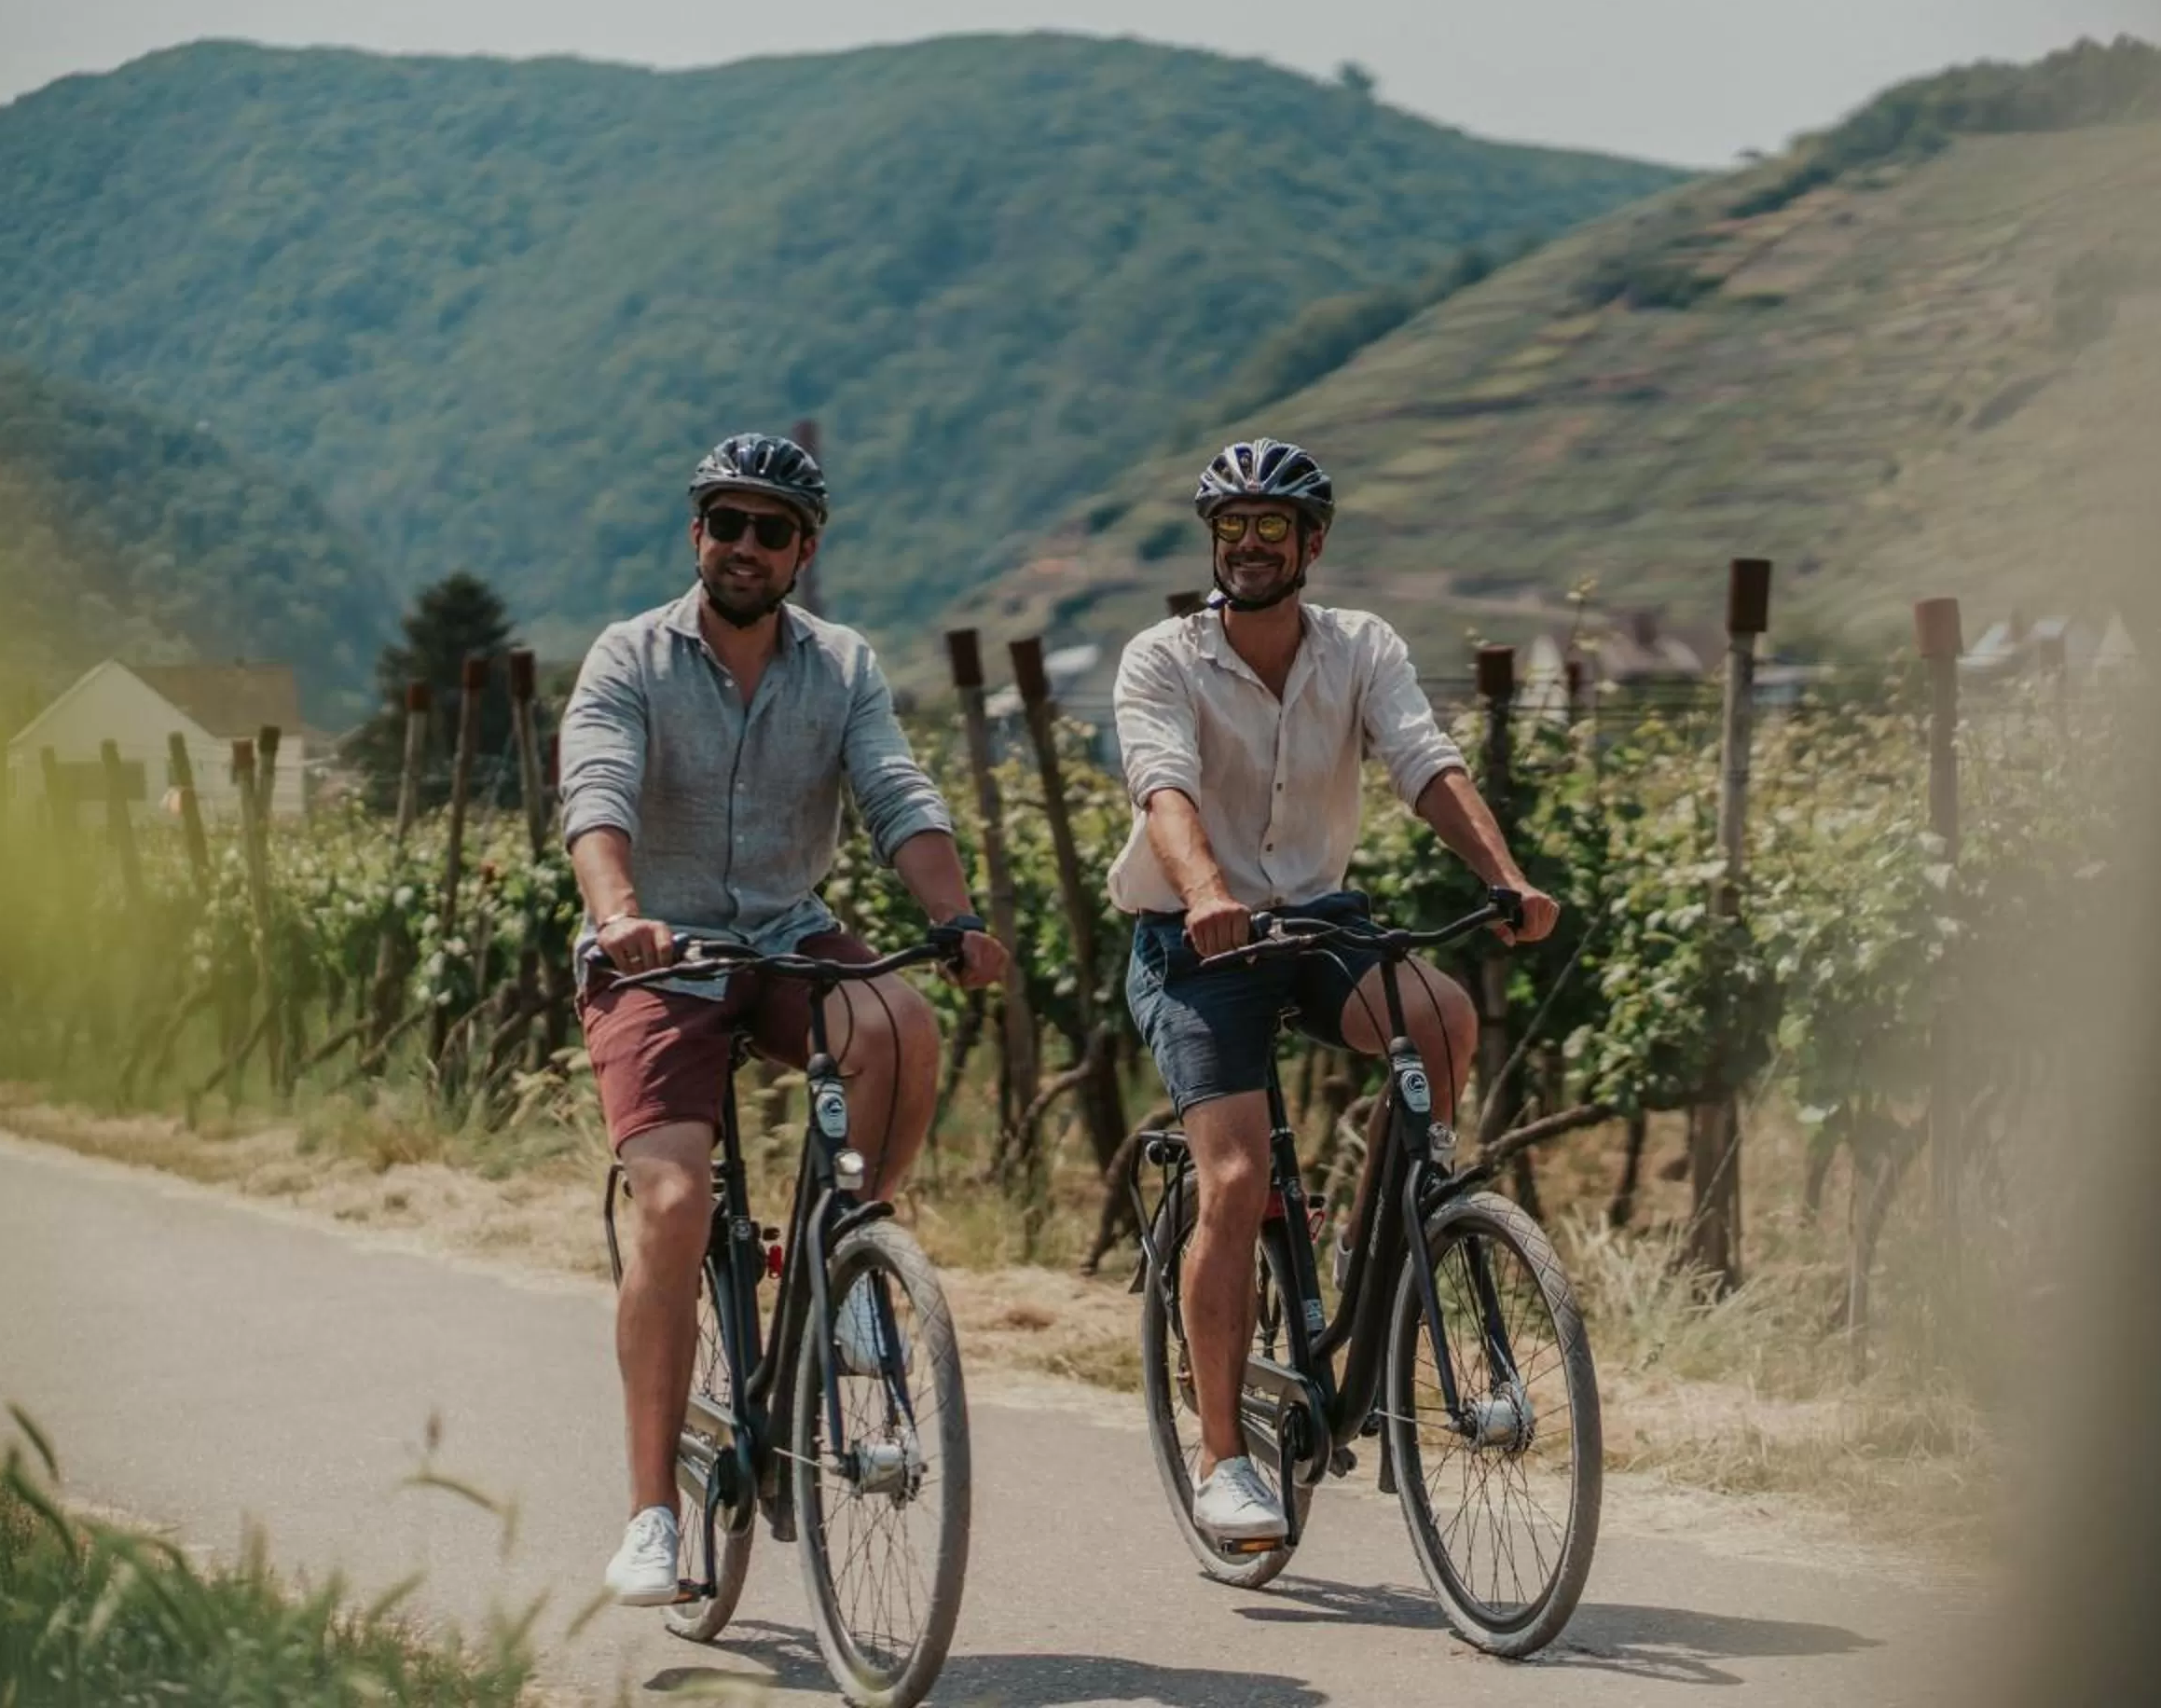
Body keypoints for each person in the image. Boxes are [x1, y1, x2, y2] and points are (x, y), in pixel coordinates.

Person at [557, 433, 1008, 1606]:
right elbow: (596, 789)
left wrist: (954, 916)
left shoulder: (841, 663)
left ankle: (849, 1250)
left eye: (771, 529)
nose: (744, 545)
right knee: (673, 1202)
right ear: (696, 533)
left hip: (786, 934)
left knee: (900, 1021)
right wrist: (618, 915)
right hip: (660, 953)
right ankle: (652, 1514)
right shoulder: (629, 655)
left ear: (805, 550)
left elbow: (895, 788)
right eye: (726, 522)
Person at [1108, 436, 1558, 1543]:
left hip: (1313, 919)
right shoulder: (1162, 656)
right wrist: (1207, 891)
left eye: (1273, 525)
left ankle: (1376, 1252)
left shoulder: (1362, 646)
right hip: (1193, 938)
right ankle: (1223, 1458)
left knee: (1443, 1018)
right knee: (1235, 1175)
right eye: (1233, 526)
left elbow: (1424, 759)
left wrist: (1503, 877)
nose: (1250, 544)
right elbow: (1164, 787)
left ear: (1313, 543)